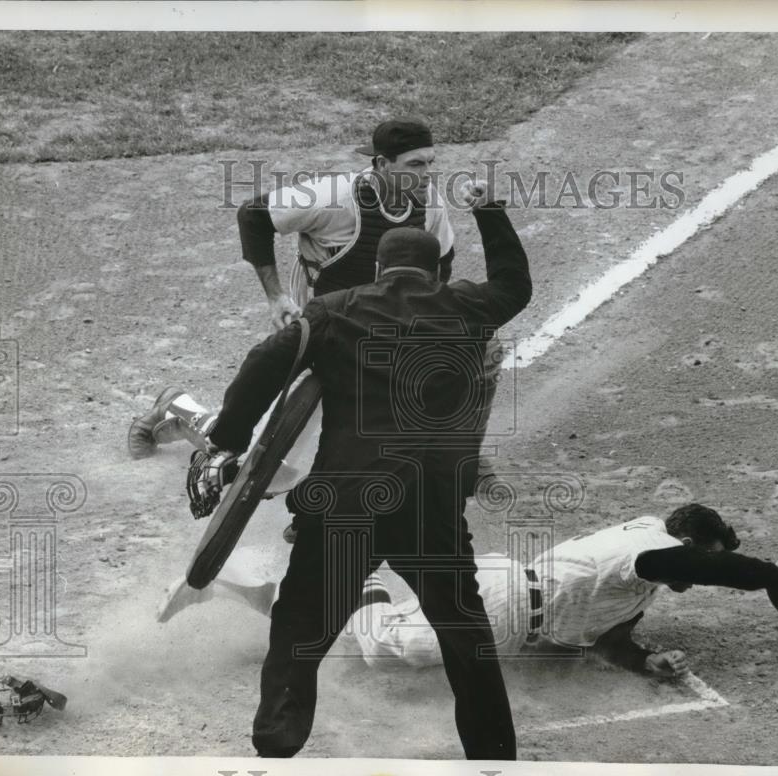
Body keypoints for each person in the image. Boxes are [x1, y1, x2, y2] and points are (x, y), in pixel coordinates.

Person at [190, 179, 530, 759]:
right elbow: (514, 284)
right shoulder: (470, 305)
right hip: (432, 505)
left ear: (377, 266)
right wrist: (489, 210)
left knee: (300, 629)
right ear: (436, 272)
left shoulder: (333, 311)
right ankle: (494, 759)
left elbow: (265, 361)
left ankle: (277, 745)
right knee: (463, 632)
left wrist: (225, 440)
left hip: (346, 500)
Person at [158, 504, 778, 678]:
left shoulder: (644, 570)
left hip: (503, 587)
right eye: (697, 560)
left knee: (361, 621)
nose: (694, 575)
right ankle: (232, 575)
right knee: (353, 638)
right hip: (501, 612)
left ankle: (335, 568)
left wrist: (644, 659)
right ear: (685, 545)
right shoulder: (647, 553)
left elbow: (606, 633)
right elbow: (718, 570)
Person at [128, 118, 467, 460]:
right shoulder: (333, 197)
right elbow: (254, 215)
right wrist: (277, 298)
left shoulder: (429, 203)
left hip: (377, 326)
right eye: (415, 164)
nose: (427, 174)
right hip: (323, 323)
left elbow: (441, 261)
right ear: (382, 164)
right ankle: (179, 409)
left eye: (430, 163)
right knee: (260, 453)